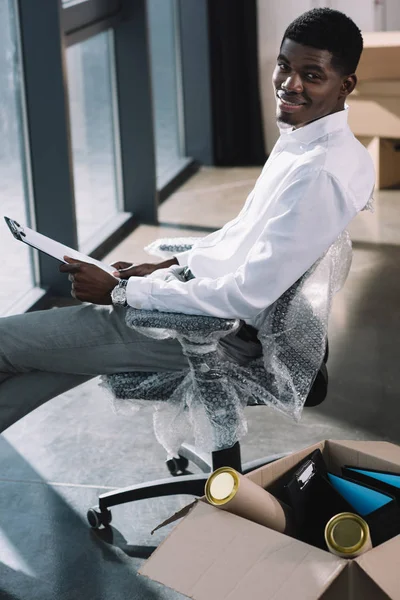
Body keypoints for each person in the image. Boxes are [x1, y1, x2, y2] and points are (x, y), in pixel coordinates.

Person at [0, 8, 374, 431]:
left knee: (4, 344)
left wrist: (124, 292)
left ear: (346, 85)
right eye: (284, 66)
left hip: (213, 332)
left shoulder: (319, 172)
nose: (290, 84)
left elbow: (245, 296)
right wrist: (171, 267)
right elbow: (244, 235)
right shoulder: (314, 142)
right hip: (203, 307)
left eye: (312, 74)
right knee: (37, 371)